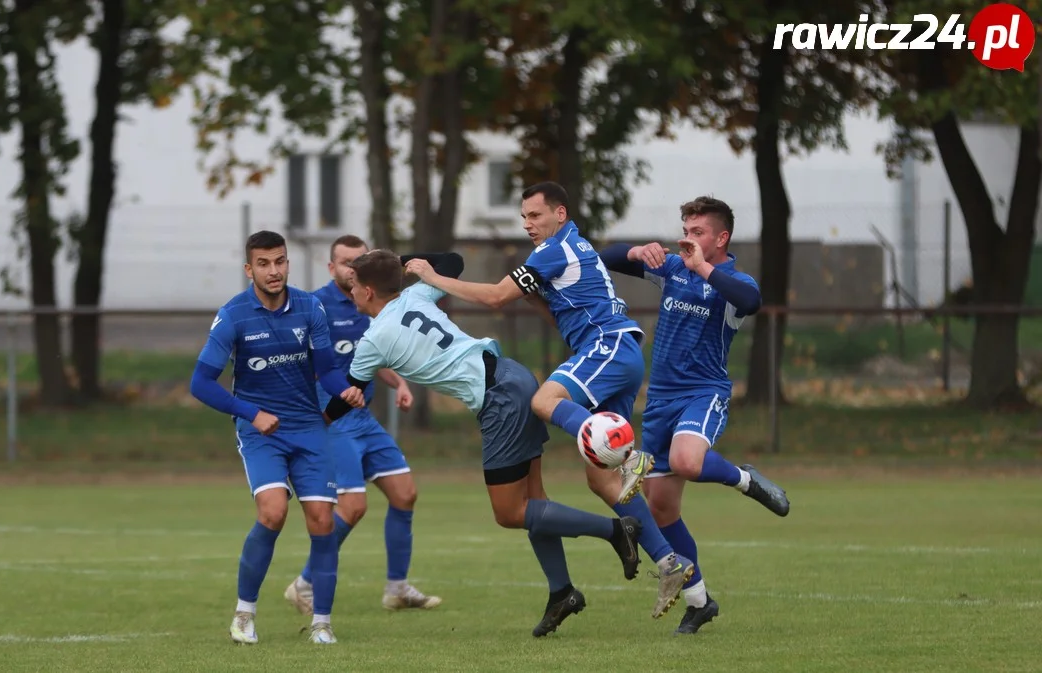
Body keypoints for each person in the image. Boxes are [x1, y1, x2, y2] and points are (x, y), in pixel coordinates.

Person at [323, 248, 693, 636]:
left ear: (366, 292)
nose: (350, 295)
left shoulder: (372, 340)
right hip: (512, 375)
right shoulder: (416, 294)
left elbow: (347, 395)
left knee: (509, 513)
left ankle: (618, 531)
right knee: (534, 500)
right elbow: (453, 260)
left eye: (352, 289)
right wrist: (403, 259)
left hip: (498, 400)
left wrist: (314, 425)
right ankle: (561, 591)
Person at [403, 182, 691, 618]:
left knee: (543, 400)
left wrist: (432, 277)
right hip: (620, 351)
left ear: (560, 213)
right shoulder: (570, 246)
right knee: (600, 481)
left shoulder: (554, 249)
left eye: (535, 215)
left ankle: (629, 454)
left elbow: (498, 297)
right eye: (523, 217)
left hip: (606, 345)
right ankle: (670, 563)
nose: (527, 224)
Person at [599, 196, 791, 635]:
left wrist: (703, 267)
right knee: (662, 509)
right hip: (661, 400)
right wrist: (635, 252)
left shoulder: (732, 282)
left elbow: (751, 299)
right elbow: (605, 258)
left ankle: (744, 478)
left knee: (688, 461)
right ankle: (699, 601)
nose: (688, 239)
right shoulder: (671, 267)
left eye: (698, 232)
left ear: (721, 239)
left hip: (702, 394)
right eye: (685, 229)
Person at [189, 230, 363, 646]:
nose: (274, 271)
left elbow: (327, 369)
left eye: (280, 262)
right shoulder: (233, 315)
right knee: (272, 512)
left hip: (308, 427)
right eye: (264, 264)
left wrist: (345, 389)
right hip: (260, 430)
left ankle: (321, 623)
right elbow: (201, 383)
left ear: (288, 263)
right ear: (250, 269)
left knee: (322, 521)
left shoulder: (310, 308)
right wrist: (251, 413)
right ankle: (244, 614)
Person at [284, 235, 441, 614]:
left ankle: (397, 588)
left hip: (363, 418)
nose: (351, 268)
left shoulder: (370, 299)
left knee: (405, 494)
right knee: (352, 507)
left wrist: (399, 383)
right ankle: (304, 584)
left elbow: (370, 358)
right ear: (330, 266)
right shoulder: (316, 305)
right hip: (332, 421)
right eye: (345, 262)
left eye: (359, 261)